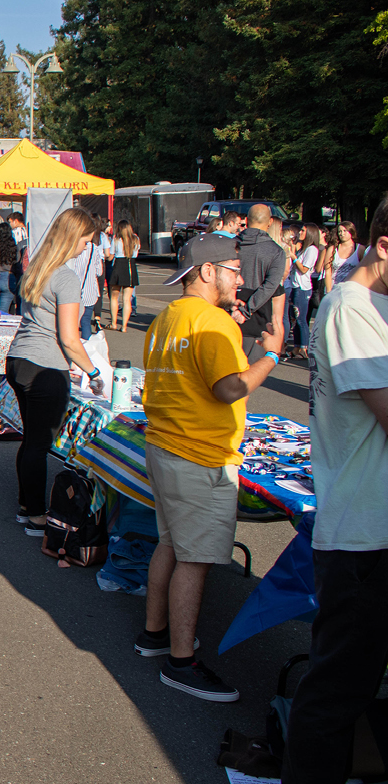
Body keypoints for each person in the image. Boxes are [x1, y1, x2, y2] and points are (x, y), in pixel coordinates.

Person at [271, 198, 388, 784]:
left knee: (352, 679)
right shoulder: (350, 308)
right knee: (341, 682)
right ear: (384, 246)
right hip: (365, 532)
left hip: (373, 525)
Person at [134, 233, 283, 702]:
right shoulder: (212, 322)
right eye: (234, 269)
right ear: (206, 271)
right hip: (200, 455)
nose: (240, 278)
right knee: (194, 559)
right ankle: (182, 662)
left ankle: (155, 635)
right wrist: (272, 356)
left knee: (172, 545)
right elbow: (230, 389)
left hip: (166, 445)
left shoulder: (167, 318)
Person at [5, 208, 104, 537]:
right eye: (86, 241)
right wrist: (94, 371)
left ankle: (25, 506)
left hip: (19, 360)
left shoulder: (37, 269)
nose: (86, 248)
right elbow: (69, 337)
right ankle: (35, 515)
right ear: (73, 237)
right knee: (38, 444)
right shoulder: (65, 277)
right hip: (46, 367)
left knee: (30, 441)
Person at [233, 204, 288, 361]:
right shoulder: (276, 251)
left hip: (227, 314)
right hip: (257, 318)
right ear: (270, 222)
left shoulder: (230, 244)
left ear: (246, 220)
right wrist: (246, 310)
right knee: (248, 377)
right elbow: (270, 286)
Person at [287, 224, 322, 359]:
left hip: (303, 288)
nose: (300, 232)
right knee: (294, 318)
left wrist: (293, 256)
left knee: (301, 318)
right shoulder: (303, 249)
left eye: (303, 231)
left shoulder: (312, 250)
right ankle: (297, 346)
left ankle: (304, 347)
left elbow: (304, 269)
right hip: (295, 285)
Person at [108, 220, 141, 331]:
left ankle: (114, 323)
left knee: (114, 297)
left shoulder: (116, 239)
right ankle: (125, 326)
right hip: (130, 266)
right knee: (127, 299)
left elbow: (111, 256)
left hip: (118, 266)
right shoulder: (135, 239)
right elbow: (136, 254)